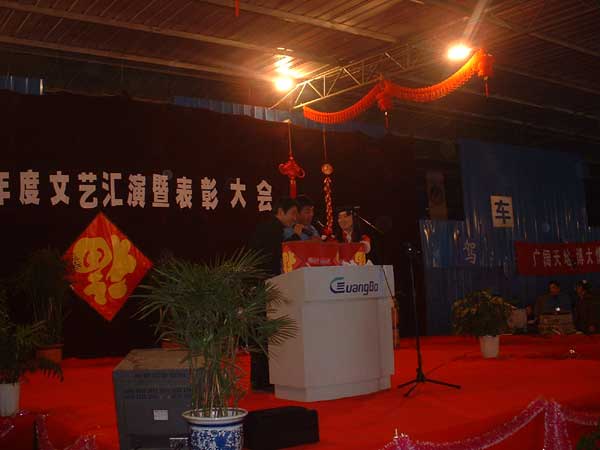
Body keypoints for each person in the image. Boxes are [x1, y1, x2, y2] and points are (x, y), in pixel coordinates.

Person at [248, 196, 299, 392]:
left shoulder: (269, 227)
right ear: (280, 212)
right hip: (263, 286)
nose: (295, 218)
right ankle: (263, 380)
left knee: (261, 334)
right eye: (292, 213)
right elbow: (280, 254)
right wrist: (295, 237)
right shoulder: (273, 230)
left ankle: (260, 379)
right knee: (264, 334)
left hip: (261, 285)